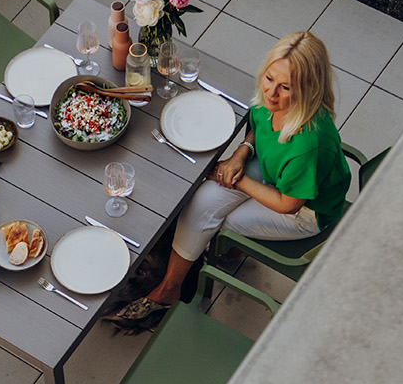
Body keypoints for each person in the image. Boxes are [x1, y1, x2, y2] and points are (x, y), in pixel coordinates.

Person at [110, 31, 352, 321]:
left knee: (221, 222)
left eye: (285, 87)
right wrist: (241, 152)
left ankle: (221, 256)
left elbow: (288, 204)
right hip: (272, 169)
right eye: (269, 78)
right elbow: (257, 126)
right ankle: (172, 287)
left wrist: (238, 180)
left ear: (307, 89)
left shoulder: (308, 144)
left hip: (305, 210)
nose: (271, 93)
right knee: (201, 204)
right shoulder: (270, 99)